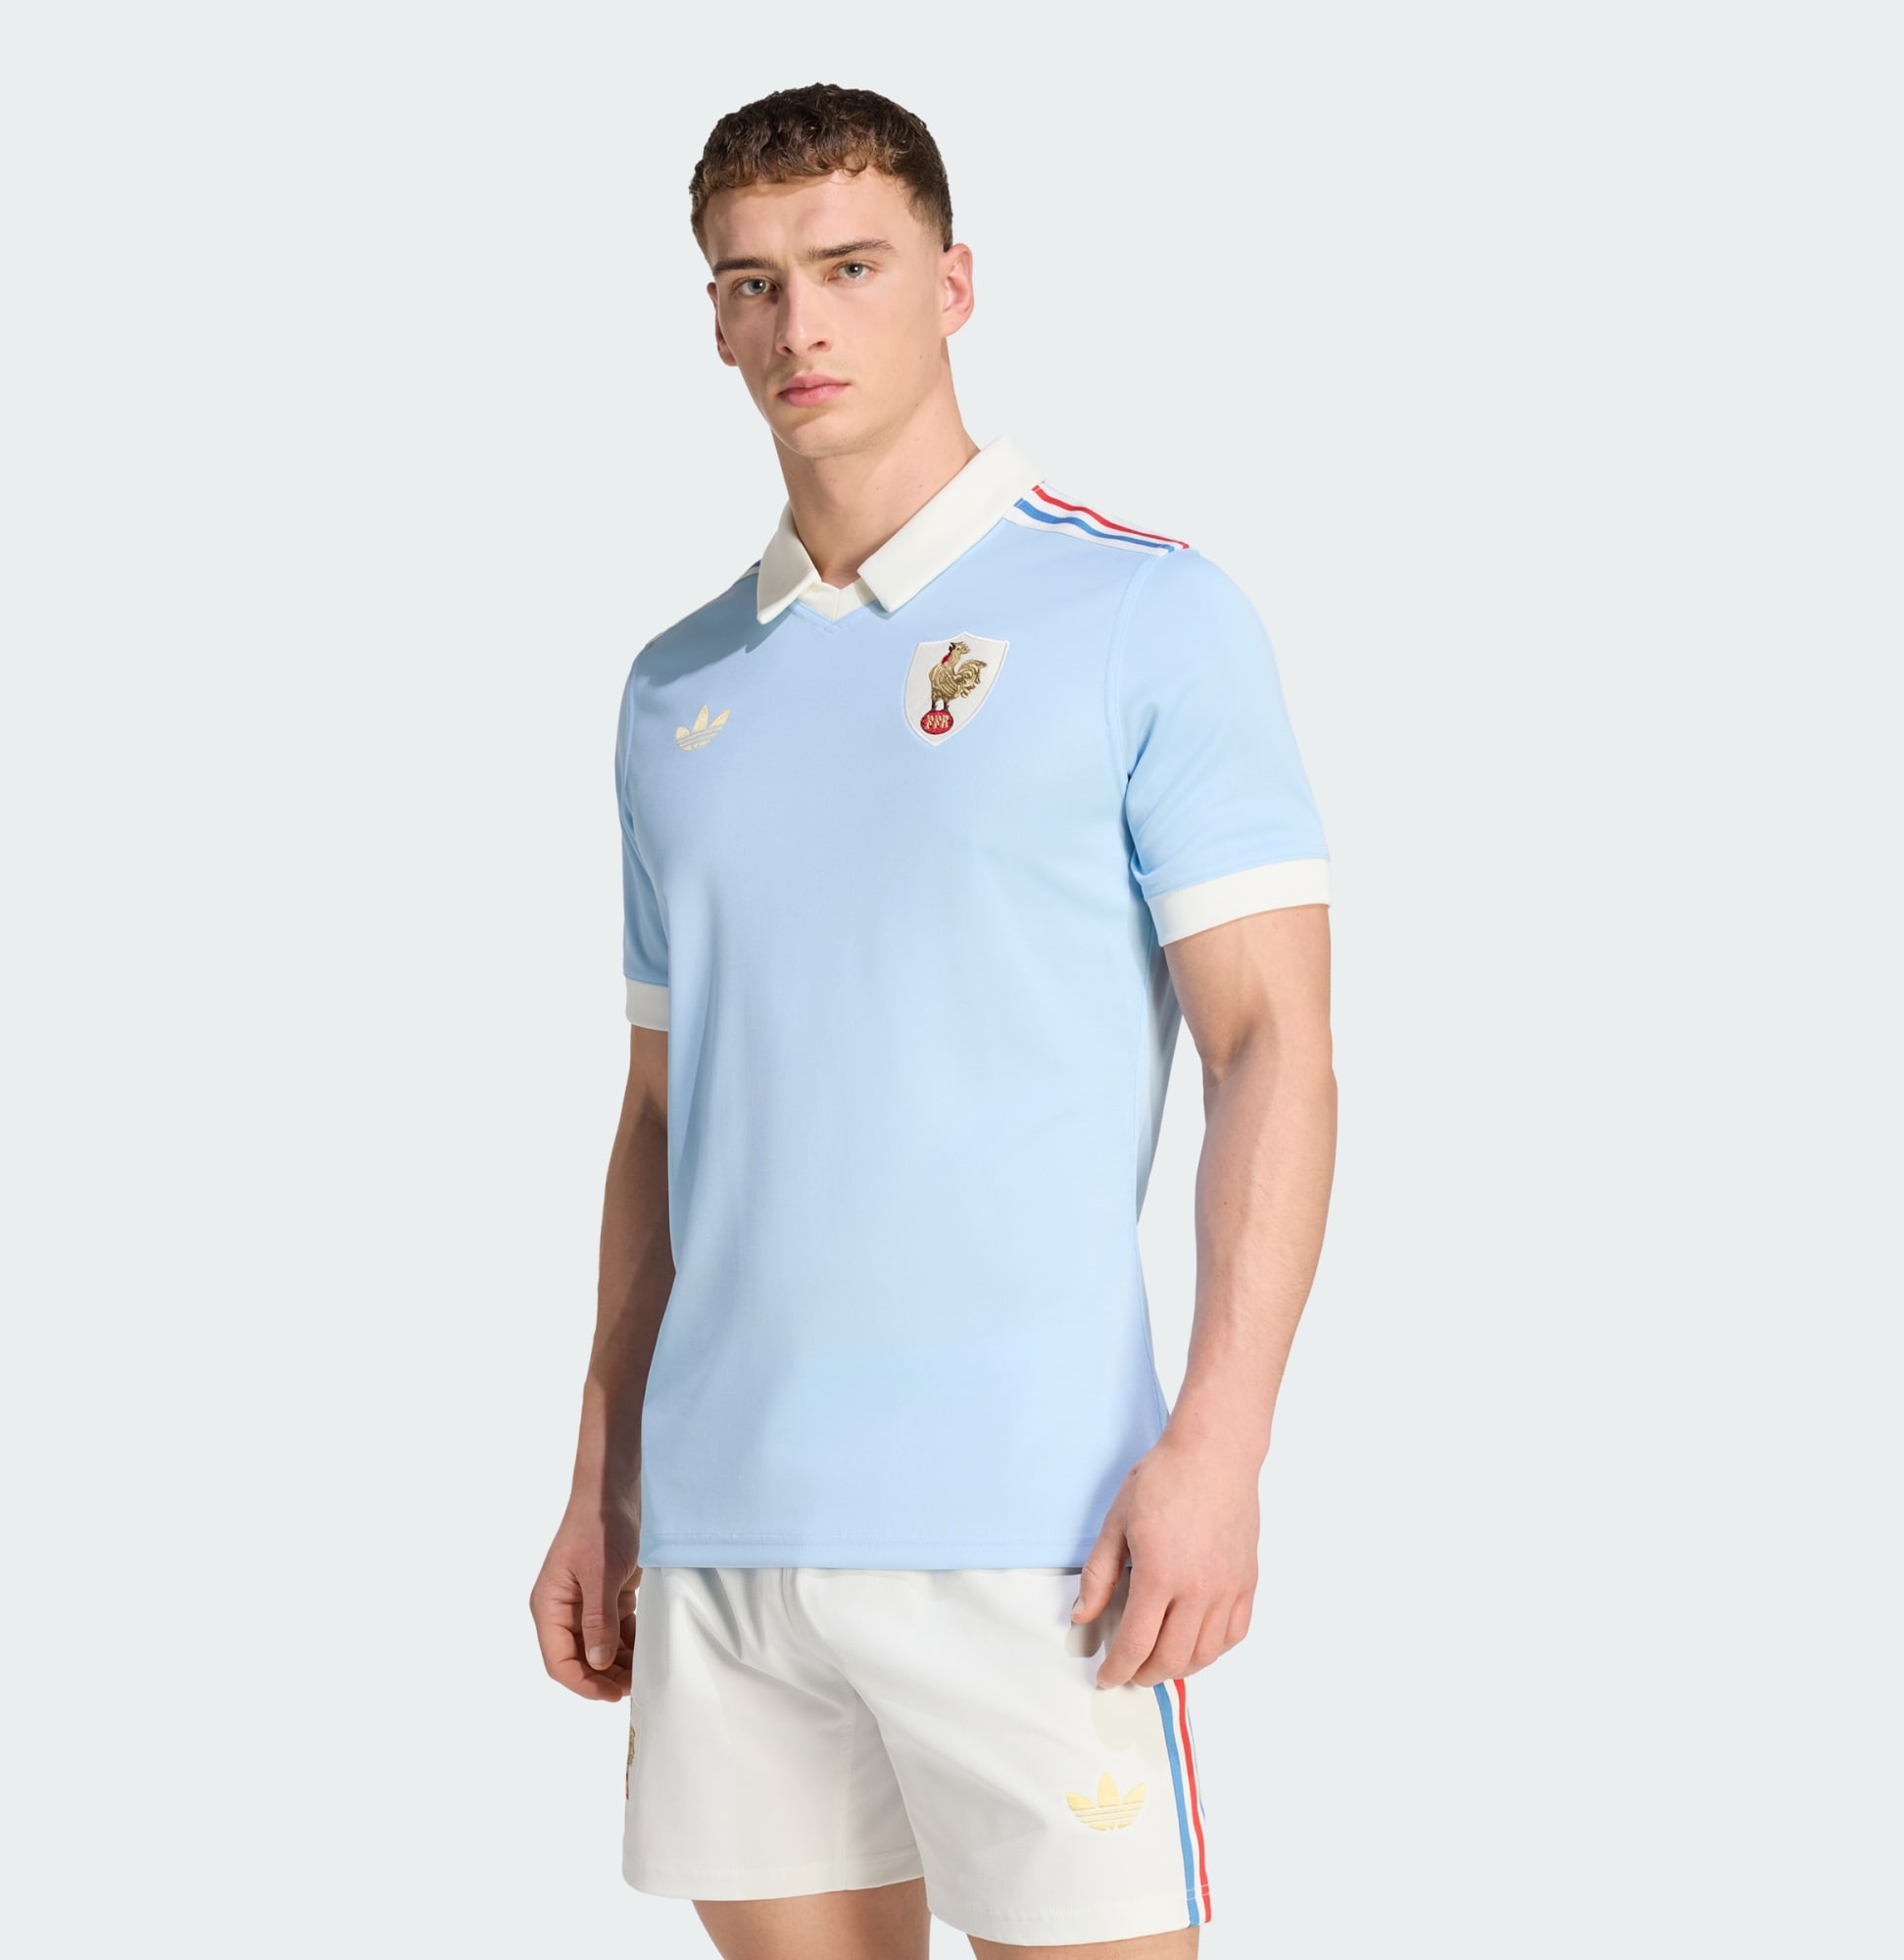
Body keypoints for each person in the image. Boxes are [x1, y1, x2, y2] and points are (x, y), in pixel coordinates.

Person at [529, 80, 1338, 1960]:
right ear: (714, 317)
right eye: (751, 283)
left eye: (850, 267)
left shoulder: (1143, 614)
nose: (797, 325)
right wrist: (603, 1476)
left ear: (954, 283)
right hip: (727, 1529)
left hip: (1034, 1525)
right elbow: (662, 1115)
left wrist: (1221, 1446)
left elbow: (1273, 1051)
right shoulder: (674, 686)